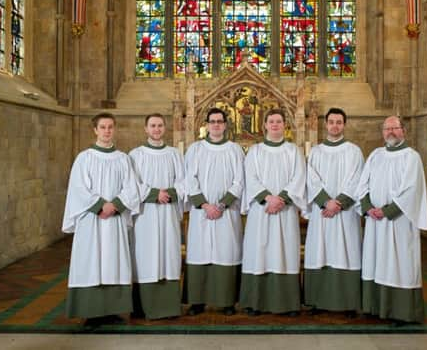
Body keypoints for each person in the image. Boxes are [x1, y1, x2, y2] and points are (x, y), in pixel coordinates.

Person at [62, 113, 140, 327]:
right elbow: (78, 188)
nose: (107, 131)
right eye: (103, 127)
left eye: (110, 127)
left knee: (113, 262)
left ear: (114, 129)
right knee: (92, 262)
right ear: (95, 130)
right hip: (92, 220)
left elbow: (131, 188)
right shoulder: (85, 158)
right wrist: (100, 206)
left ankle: (112, 310)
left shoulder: (123, 159)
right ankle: (91, 312)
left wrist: (114, 205)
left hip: (114, 219)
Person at [357, 116, 427, 325]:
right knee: (375, 261)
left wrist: (387, 211)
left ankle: (401, 312)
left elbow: (411, 191)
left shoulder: (411, 157)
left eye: (395, 128)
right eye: (387, 128)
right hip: (375, 221)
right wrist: (368, 207)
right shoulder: (375, 155)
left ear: (403, 131)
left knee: (399, 263)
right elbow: (363, 184)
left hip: (398, 223)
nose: (391, 132)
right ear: (382, 132)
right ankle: (374, 307)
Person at [240, 108, 306, 316]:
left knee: (285, 253)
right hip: (261, 211)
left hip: (285, 211)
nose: (275, 125)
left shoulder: (293, 151)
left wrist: (282, 199)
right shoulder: (255, 151)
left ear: (285, 125)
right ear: (265, 125)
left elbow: (299, 177)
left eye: (279, 121)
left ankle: (287, 304)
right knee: (259, 252)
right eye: (271, 121)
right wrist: (268, 198)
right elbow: (249, 178)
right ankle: (255, 302)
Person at [184, 107, 245, 316]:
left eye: (220, 121)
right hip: (202, 212)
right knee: (200, 252)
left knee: (226, 252)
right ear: (206, 125)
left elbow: (239, 181)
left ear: (225, 125)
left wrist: (221, 205)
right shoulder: (195, 149)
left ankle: (226, 301)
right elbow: (189, 179)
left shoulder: (235, 149)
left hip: (226, 212)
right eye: (212, 121)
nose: (216, 125)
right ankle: (197, 301)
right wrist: (204, 204)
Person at [304, 108, 364, 316]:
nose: (335, 125)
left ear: (344, 125)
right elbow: (311, 179)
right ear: (326, 125)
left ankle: (348, 303)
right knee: (320, 251)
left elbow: (356, 179)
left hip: (344, 214)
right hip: (322, 213)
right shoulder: (316, 152)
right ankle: (318, 301)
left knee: (345, 253)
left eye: (339, 122)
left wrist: (338, 203)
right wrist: (324, 202)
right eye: (331, 122)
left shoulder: (354, 151)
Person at [129, 114, 185, 320]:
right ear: (146, 129)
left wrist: (168, 193)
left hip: (168, 212)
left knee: (168, 255)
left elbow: (183, 180)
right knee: (145, 255)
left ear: (165, 128)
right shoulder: (136, 155)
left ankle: (169, 307)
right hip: (146, 215)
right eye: (152, 126)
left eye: (160, 125)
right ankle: (142, 307)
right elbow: (132, 183)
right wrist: (155, 194)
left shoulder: (174, 154)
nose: (156, 129)